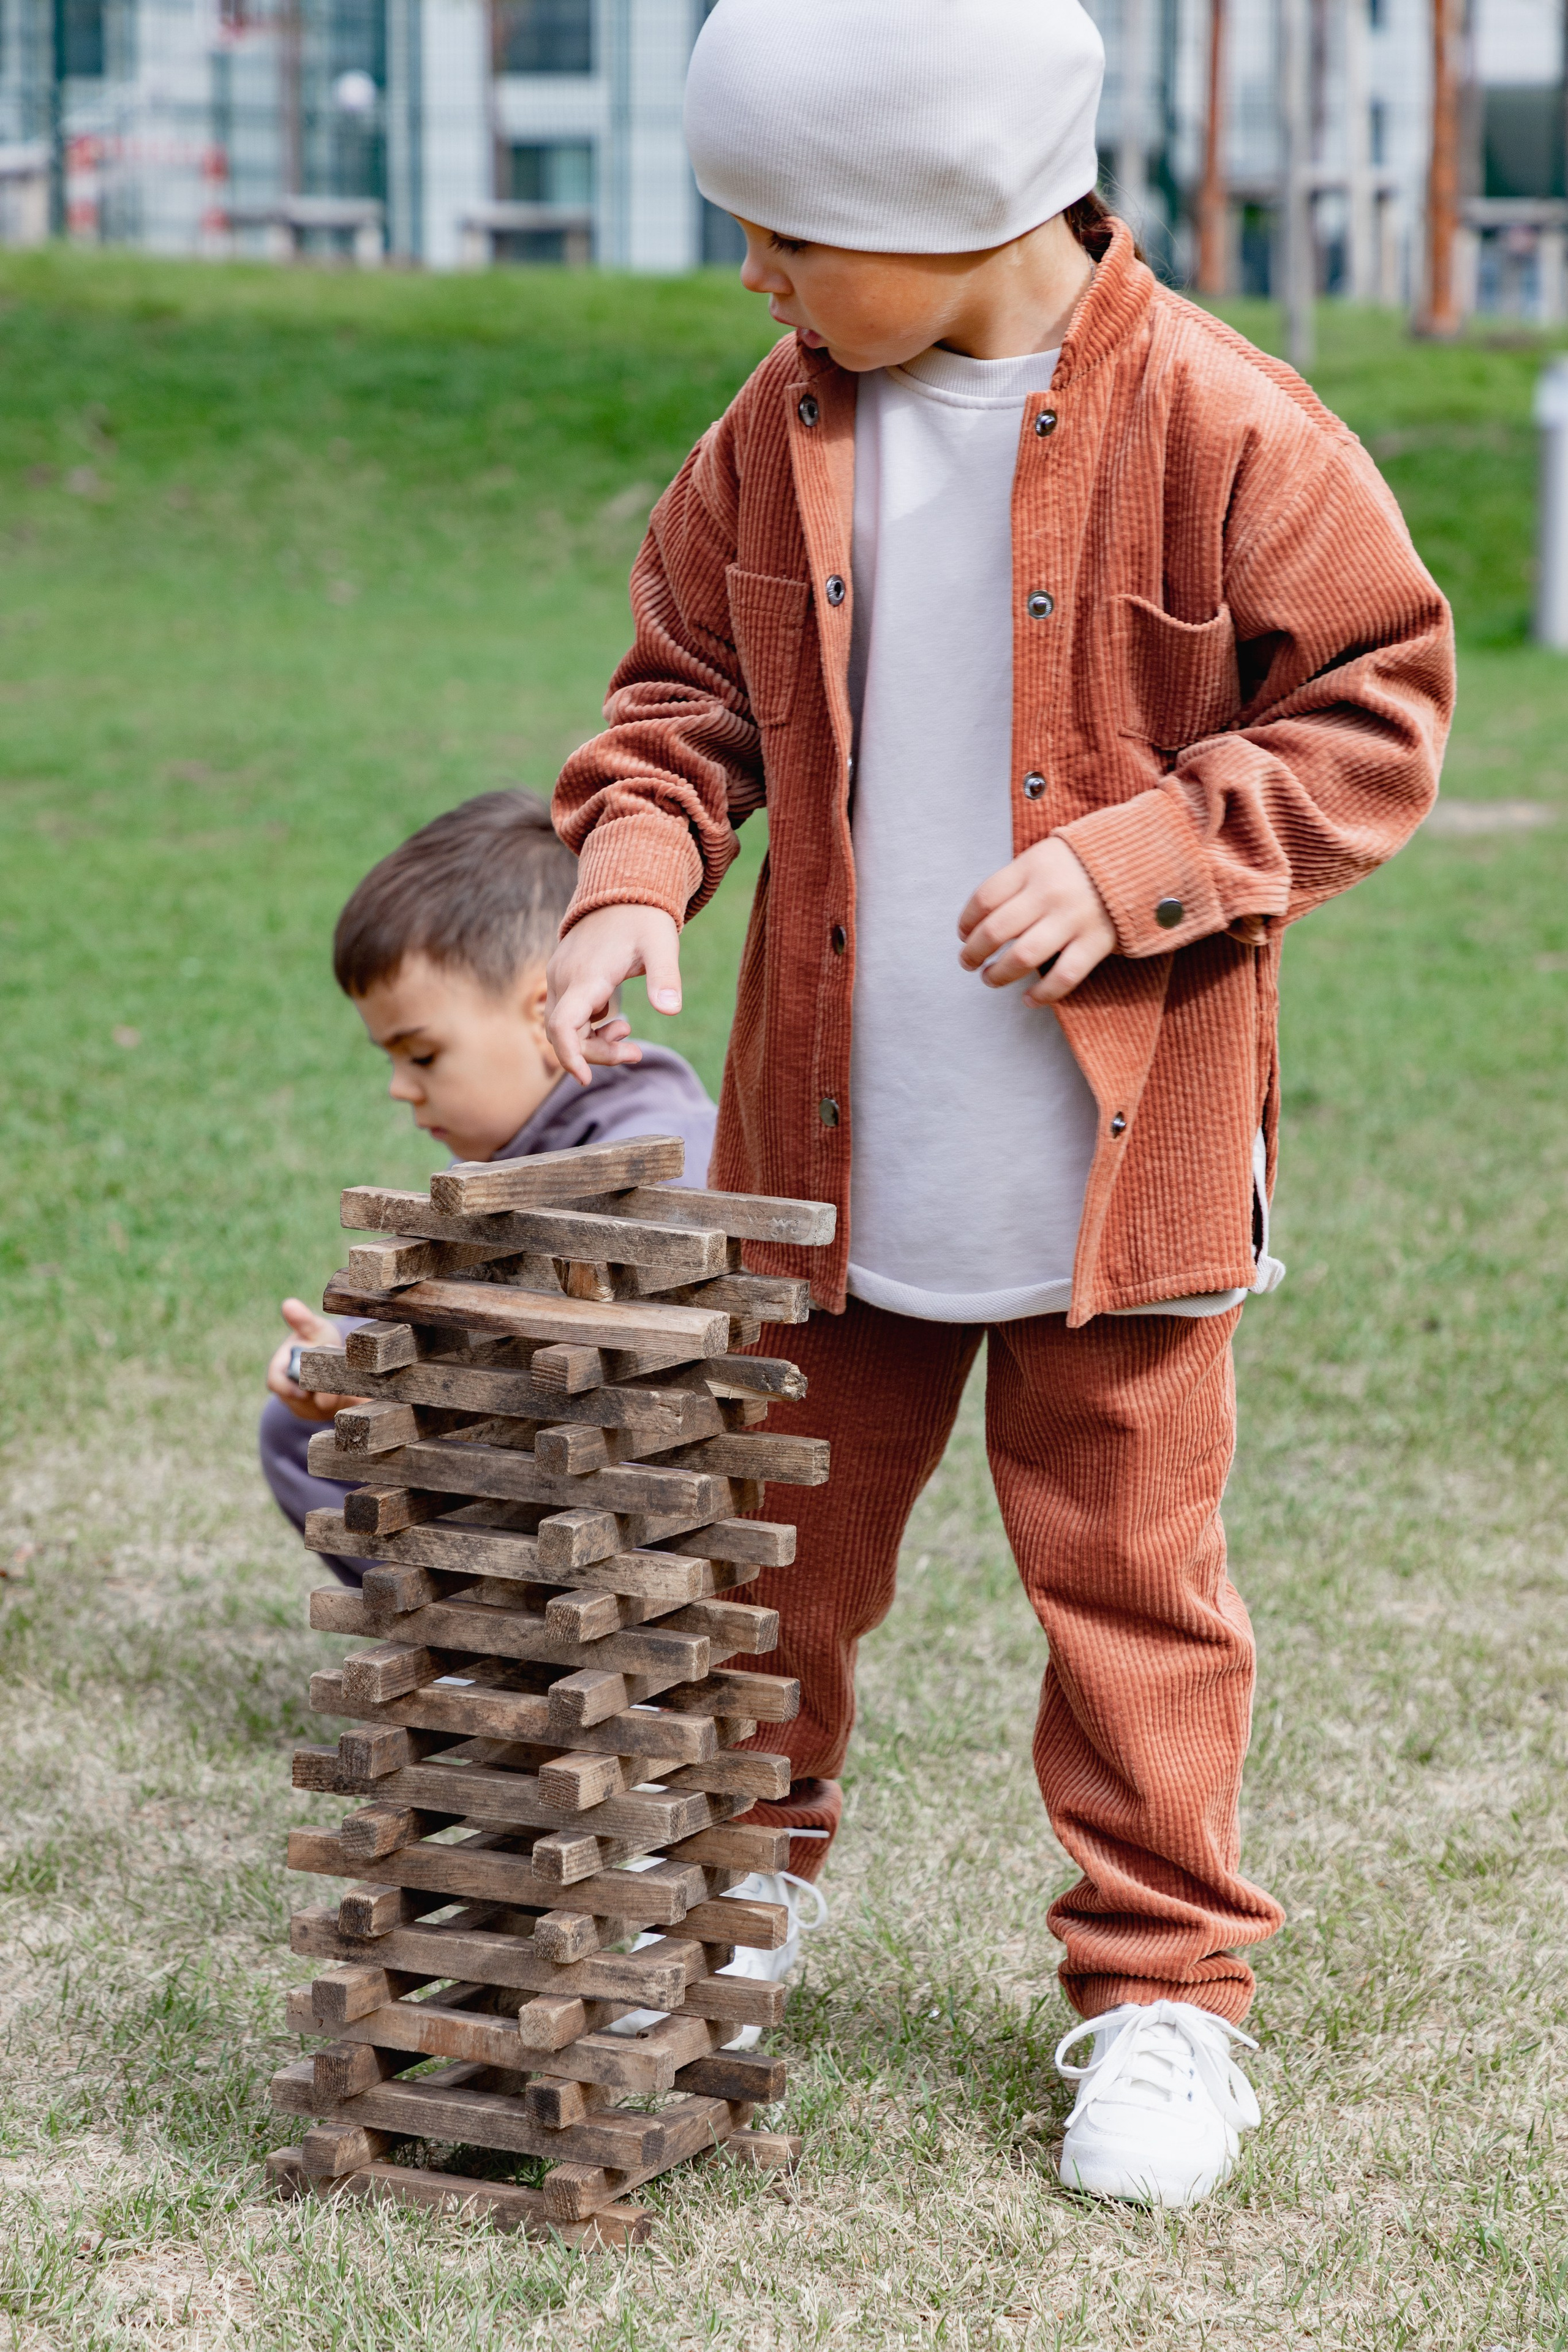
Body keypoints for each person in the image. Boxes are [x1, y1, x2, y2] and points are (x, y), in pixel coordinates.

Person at [543, 0, 1455, 2208]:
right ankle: (730, 1898)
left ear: (951, 206)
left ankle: (1161, 2002)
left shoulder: (1236, 428)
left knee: (1136, 1602)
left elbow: (1377, 713)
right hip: (829, 1177)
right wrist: (630, 874)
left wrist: (1136, 861)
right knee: (766, 1574)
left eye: (782, 235)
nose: (752, 277)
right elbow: (676, 694)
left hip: (1117, 1189)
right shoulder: (772, 432)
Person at [259, 789, 717, 1580]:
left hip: (640, 1479)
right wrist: (347, 1367)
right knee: (295, 1433)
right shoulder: (499, 1164)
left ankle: (491, 1630)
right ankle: (465, 1632)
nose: (402, 1088)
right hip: (527, 1455)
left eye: (423, 1055)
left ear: (551, 1013)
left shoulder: (663, 1144)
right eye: (392, 1059)